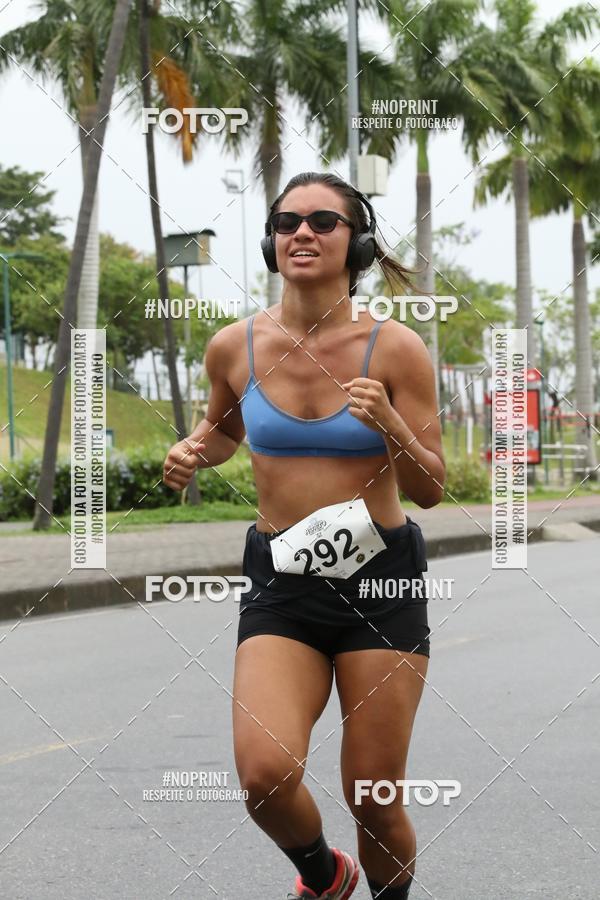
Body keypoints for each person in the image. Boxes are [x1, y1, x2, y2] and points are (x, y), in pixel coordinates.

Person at [163, 171, 446, 899]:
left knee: (373, 800)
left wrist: (388, 425)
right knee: (264, 776)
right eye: (288, 222)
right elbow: (224, 431)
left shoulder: (397, 350)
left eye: (324, 221)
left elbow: (432, 488)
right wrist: (193, 448)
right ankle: (325, 878)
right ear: (270, 240)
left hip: (379, 585)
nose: (303, 234)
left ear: (357, 243)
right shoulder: (235, 346)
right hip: (280, 582)